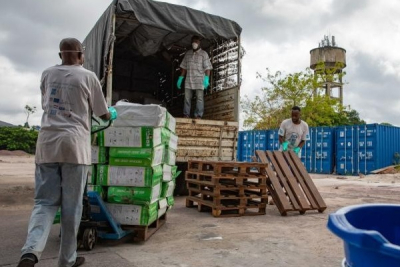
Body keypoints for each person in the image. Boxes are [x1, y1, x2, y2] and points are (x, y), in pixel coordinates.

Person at [17, 38, 117, 267]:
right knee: (72, 207)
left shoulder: (47, 74)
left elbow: (46, 103)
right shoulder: (88, 77)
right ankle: (66, 261)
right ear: (81, 55)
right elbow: (102, 114)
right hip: (75, 148)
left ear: (60, 55)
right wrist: (111, 113)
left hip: (48, 145)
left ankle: (30, 253)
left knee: (44, 203)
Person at [176, 35, 213, 119]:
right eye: (193, 41)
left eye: (196, 41)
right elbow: (184, 68)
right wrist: (180, 78)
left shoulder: (204, 54)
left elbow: (208, 68)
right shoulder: (188, 54)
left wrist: (206, 79)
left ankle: (198, 115)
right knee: (187, 98)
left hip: (200, 80)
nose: (194, 43)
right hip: (189, 80)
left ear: (200, 43)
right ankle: (186, 115)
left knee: (199, 99)